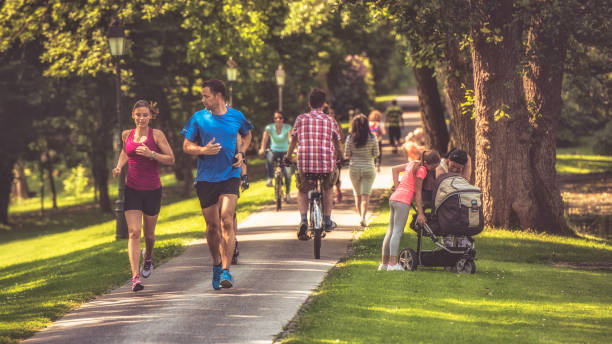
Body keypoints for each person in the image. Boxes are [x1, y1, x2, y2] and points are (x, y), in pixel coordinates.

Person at [181, 79, 253, 290]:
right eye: (203, 96)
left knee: (227, 220)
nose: (203, 100)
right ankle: (216, 264)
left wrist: (241, 153)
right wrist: (202, 150)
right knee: (212, 228)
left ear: (218, 96)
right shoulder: (198, 118)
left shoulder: (236, 116)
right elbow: (186, 145)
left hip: (230, 174)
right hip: (206, 179)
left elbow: (248, 135)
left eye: (206, 96)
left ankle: (226, 271)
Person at [112, 100, 175, 292]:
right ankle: (135, 277)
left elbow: (171, 159)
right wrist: (119, 166)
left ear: (150, 116)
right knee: (133, 232)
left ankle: (148, 257)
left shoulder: (156, 135)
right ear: (133, 115)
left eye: (145, 115)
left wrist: (151, 154)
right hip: (132, 189)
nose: (141, 118)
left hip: (153, 190)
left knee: (149, 235)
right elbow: (125, 152)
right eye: (138, 114)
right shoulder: (126, 135)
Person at [285, 89, 344, 240]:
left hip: (305, 162)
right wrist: (342, 157)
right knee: (328, 188)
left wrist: (287, 156)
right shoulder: (330, 120)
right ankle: (327, 219)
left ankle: (304, 220)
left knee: (303, 190)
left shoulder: (300, 119)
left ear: (309, 103)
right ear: (324, 104)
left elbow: (293, 141)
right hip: (326, 163)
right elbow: (337, 143)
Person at [379, 150, 440, 271]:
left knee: (390, 231)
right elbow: (418, 193)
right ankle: (393, 264)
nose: (433, 169)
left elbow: (394, 169)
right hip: (403, 201)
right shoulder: (422, 170)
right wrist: (421, 214)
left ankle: (384, 264)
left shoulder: (412, 163)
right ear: (427, 163)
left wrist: (397, 187)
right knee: (397, 232)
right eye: (433, 167)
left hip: (394, 199)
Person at [345, 114, 379, 227]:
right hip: (369, 168)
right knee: (365, 196)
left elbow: (347, 154)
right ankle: (364, 218)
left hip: (354, 168)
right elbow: (376, 154)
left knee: (357, 195)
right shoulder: (373, 138)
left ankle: (360, 217)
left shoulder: (350, 138)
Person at [258, 111, 292, 203]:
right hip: (274, 150)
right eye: (276, 118)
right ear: (274, 119)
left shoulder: (287, 127)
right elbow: (265, 139)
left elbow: (290, 139)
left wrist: (293, 149)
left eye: (280, 117)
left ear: (283, 119)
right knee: (269, 157)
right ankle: (269, 178)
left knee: (288, 173)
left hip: (285, 151)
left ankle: (288, 193)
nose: (278, 119)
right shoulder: (269, 127)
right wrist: (262, 148)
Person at [323, 104, 344, 203]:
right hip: (326, 154)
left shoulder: (337, 125)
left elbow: (341, 139)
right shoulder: (323, 124)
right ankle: (329, 196)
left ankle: (338, 191)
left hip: (336, 154)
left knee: (336, 176)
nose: (330, 115)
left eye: (332, 113)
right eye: (328, 113)